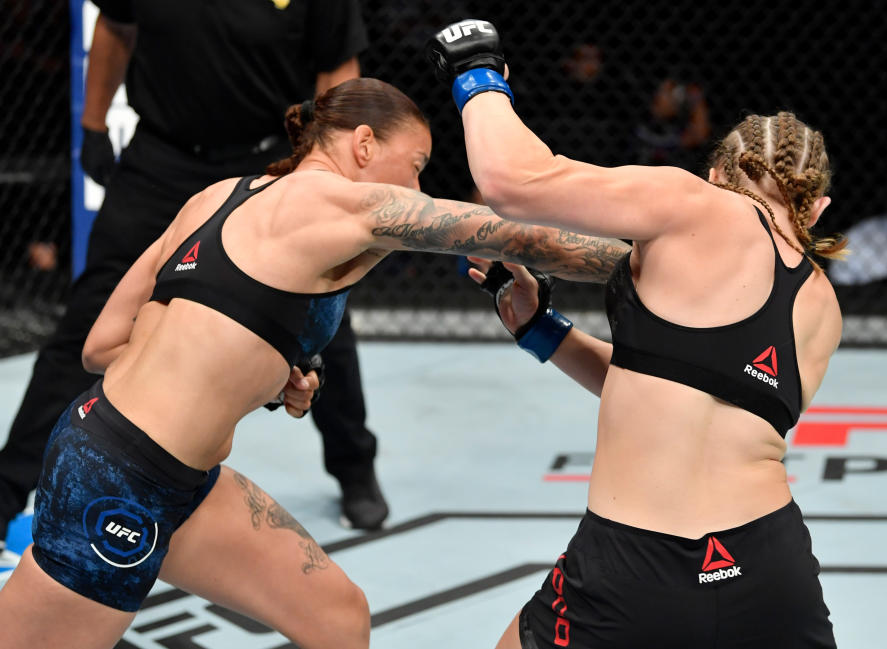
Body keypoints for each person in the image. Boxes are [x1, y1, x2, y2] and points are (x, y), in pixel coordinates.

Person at [0, 78, 631, 649]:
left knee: (335, 616)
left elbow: (103, 345)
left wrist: (260, 372)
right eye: (414, 167)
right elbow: (524, 237)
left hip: (167, 472)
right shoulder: (345, 207)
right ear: (362, 145)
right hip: (118, 480)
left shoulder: (219, 196)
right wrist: (678, 261)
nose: (414, 189)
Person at [428, 20, 846, 648]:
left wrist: (476, 71)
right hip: (769, 566)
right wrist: (544, 331)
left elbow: (511, 182)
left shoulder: (694, 202)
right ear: (816, 210)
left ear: (716, 174)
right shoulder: (823, 306)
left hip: (632, 563)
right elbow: (678, 394)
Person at [0, 0, 388, 551]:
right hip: (162, 162)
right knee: (89, 317)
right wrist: (92, 123)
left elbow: (338, 68)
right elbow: (116, 26)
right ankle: (5, 492)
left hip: (271, 161)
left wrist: (325, 167)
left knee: (320, 319)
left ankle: (354, 465)